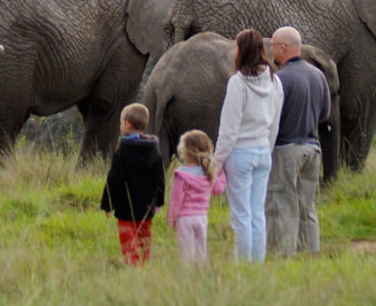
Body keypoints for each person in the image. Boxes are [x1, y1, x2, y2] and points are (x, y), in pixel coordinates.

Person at [214, 28, 284, 262]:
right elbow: (274, 123)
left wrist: (217, 161)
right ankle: (257, 265)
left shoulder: (238, 82)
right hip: (264, 151)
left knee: (241, 216)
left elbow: (229, 128)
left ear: (240, 50)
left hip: (240, 154)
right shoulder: (275, 81)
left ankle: (243, 267)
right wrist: (268, 149)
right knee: (257, 214)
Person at [266, 26, 331, 256]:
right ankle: (310, 253)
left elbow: (272, 118)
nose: (271, 51)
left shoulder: (280, 79)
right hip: (313, 149)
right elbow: (325, 114)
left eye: (273, 46)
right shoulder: (318, 75)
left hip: (285, 149)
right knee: (307, 206)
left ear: (283, 47)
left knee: (282, 203)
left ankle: (283, 255)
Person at [100, 103, 165, 265]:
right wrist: (159, 202)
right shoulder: (155, 151)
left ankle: (133, 267)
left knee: (129, 242)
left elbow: (114, 180)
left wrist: (108, 204)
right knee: (144, 241)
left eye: (121, 122)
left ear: (127, 124)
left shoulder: (122, 152)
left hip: (125, 209)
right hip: (146, 208)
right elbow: (160, 178)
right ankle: (142, 266)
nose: (120, 125)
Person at [166, 130, 226, 263]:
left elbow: (176, 199)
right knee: (201, 251)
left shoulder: (182, 175)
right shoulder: (209, 173)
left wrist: (171, 218)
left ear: (186, 152)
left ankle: (187, 276)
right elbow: (218, 189)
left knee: (186, 252)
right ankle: (200, 274)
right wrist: (221, 174)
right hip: (202, 218)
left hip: (185, 219)